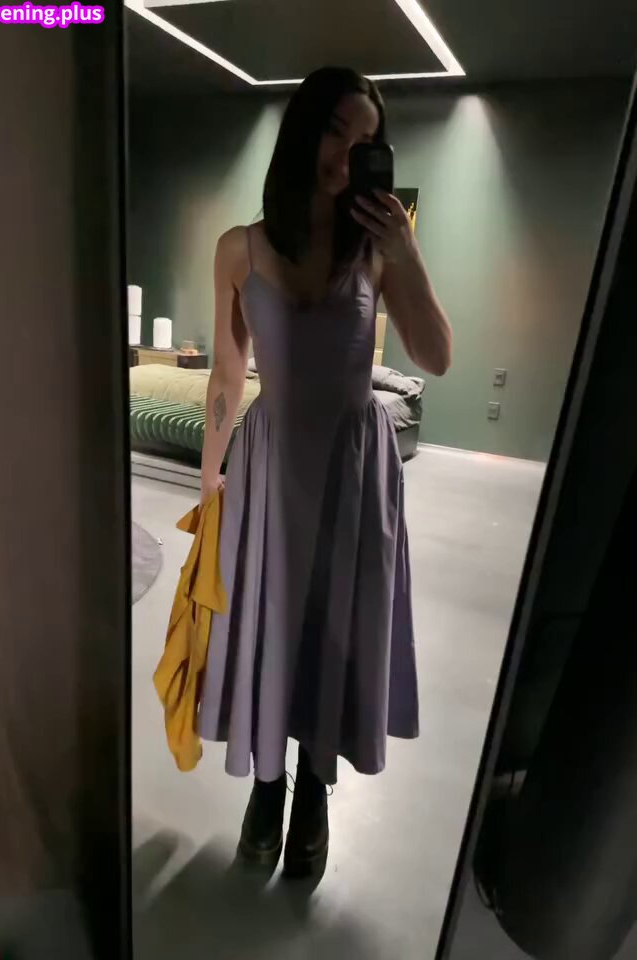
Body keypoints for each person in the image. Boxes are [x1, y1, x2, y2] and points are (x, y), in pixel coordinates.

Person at [197, 66, 452, 878]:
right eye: (338, 129)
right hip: (269, 462)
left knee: (336, 626)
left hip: (353, 464)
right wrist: (209, 481)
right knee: (270, 619)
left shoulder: (375, 251)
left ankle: (313, 785)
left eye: (367, 140)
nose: (348, 153)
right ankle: (267, 784)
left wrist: (406, 252)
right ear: (304, 129)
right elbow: (227, 374)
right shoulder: (238, 249)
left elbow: (436, 357)